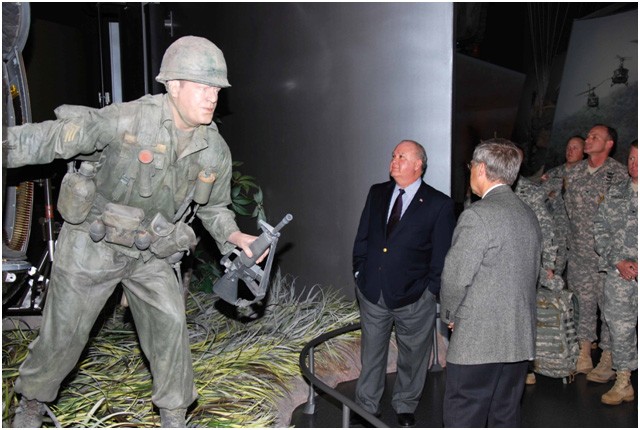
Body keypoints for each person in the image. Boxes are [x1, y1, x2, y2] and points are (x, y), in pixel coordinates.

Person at [7, 36, 264, 428]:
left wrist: (235, 237)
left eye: (216, 89)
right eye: (202, 86)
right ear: (173, 86)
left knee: (170, 330)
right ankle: (30, 405)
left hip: (151, 251)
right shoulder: (126, 120)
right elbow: (55, 138)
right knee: (65, 332)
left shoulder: (214, 150)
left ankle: (174, 415)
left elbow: (215, 209)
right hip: (95, 240)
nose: (212, 97)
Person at [352, 139, 455, 427]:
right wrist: (359, 273)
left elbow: (442, 254)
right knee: (371, 354)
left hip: (414, 297)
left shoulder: (439, 204)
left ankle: (405, 405)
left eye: (401, 156)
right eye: (393, 155)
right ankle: (366, 407)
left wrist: (430, 292)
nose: (394, 161)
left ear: (418, 165)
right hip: (373, 292)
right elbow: (363, 238)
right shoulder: (377, 193)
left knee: (413, 357)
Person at [440, 138, 542, 427]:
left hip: (477, 340)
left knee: (464, 415)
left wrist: (449, 315)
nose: (470, 170)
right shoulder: (527, 214)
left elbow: (455, 277)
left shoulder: (478, 215)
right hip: (517, 339)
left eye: (471, 165)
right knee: (505, 416)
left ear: (481, 168)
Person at [562, 124, 627, 379]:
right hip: (578, 253)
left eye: (594, 137)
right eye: (588, 136)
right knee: (583, 304)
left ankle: (608, 358)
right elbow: (566, 212)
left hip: (606, 258)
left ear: (609, 144)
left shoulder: (618, 174)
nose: (588, 140)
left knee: (608, 307)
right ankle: (584, 352)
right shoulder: (575, 172)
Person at [594, 140, 638, 405]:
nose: (633, 164)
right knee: (620, 328)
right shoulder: (616, 192)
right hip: (620, 274)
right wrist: (617, 261)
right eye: (631, 158)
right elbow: (600, 231)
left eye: (639, 158)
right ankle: (623, 382)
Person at [540, 135, 585, 276]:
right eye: (568, 147)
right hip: (551, 235)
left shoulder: (586, 177)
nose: (570, 151)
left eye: (575, 148)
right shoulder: (553, 174)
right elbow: (539, 201)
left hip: (576, 239)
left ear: (584, 151)